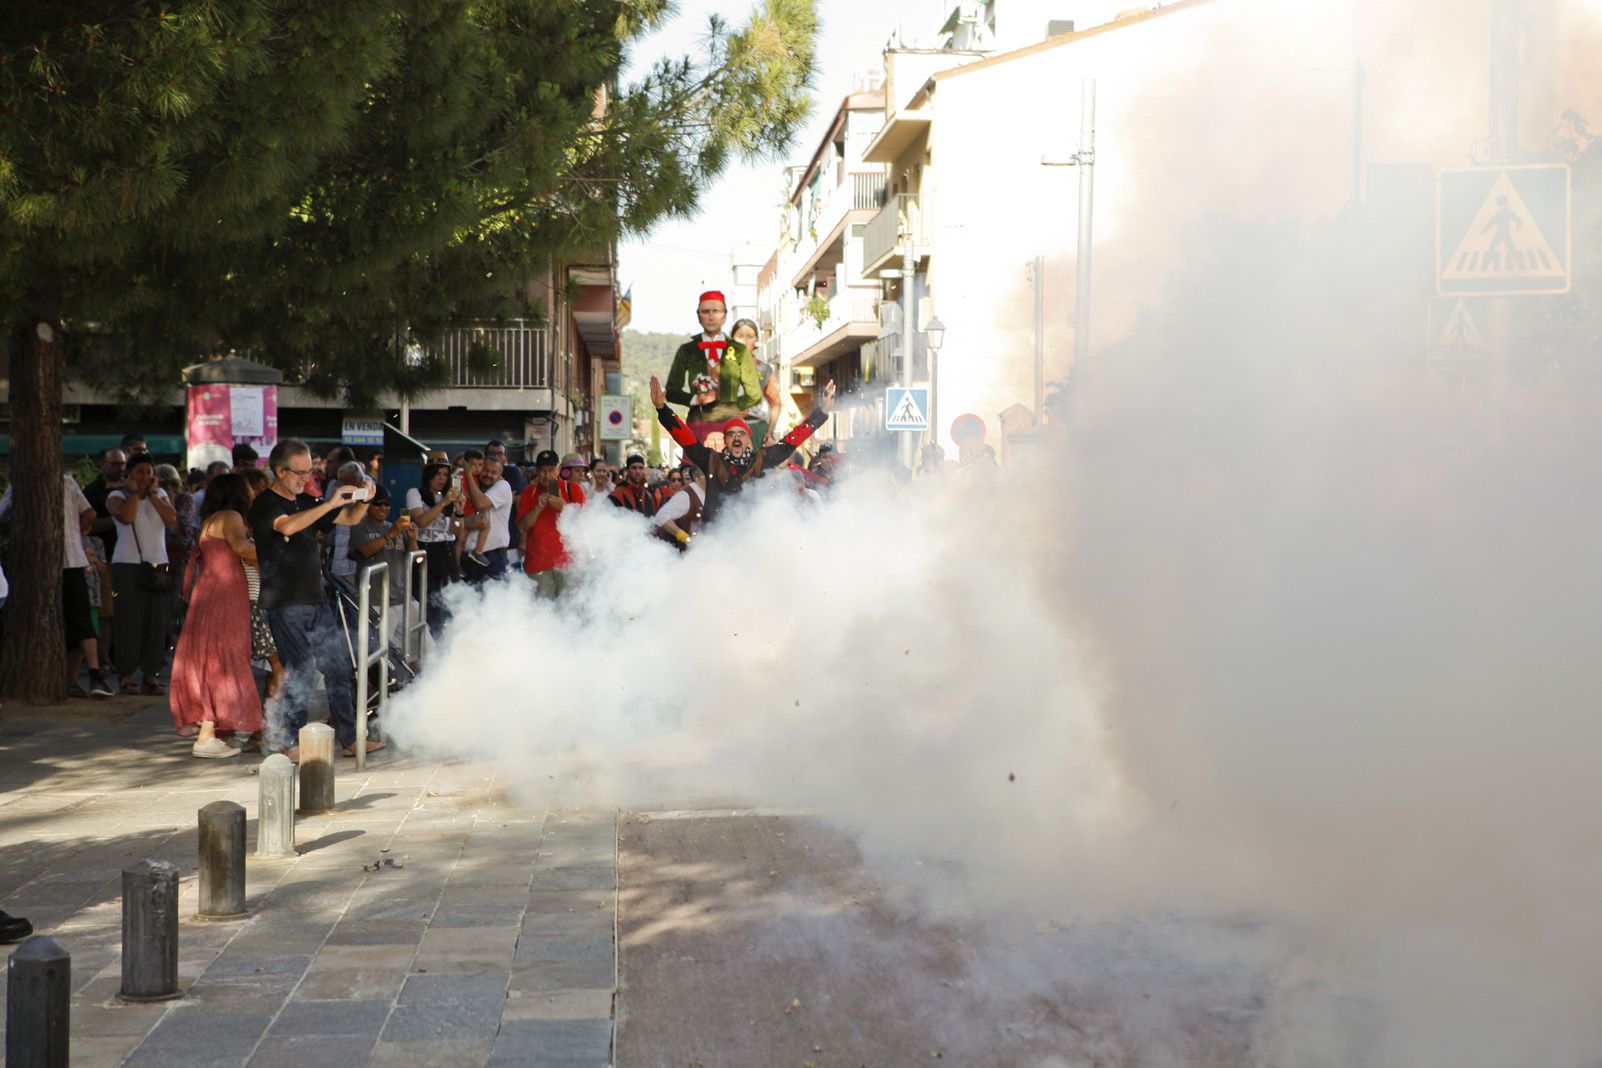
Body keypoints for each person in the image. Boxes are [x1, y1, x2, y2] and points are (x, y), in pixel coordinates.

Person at [249, 438, 379, 761]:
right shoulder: (265, 504)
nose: (305, 479)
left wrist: (364, 498)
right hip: (285, 602)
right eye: (299, 472)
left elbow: (348, 520)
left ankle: (350, 738)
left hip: (316, 599)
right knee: (302, 669)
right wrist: (329, 502)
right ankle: (290, 740)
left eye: (309, 471)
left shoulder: (306, 499)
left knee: (337, 667)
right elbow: (288, 527)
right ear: (279, 471)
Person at [650, 374, 837, 525]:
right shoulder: (711, 460)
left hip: (750, 545)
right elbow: (686, 438)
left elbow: (791, 441)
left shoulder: (761, 459)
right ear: (726, 440)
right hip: (715, 544)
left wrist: (822, 413)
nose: (737, 437)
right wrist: (662, 409)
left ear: (748, 439)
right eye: (732, 434)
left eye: (741, 434)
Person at [170, 473, 264, 758]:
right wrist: (276, 553)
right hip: (226, 597)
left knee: (209, 658)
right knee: (226, 659)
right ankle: (207, 733)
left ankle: (212, 730)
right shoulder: (231, 516)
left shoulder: (210, 521)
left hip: (208, 594)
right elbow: (241, 548)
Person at [0, 474, 114, 698]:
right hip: (73, 557)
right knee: (81, 620)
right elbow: (89, 513)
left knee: (49, 620)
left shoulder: (21, 482)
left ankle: (69, 677)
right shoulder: (68, 481)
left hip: (39, 563)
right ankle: (93, 674)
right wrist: (75, 534)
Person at [107, 454, 178, 695]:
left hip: (159, 563)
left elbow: (171, 519)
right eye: (139, 472)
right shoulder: (118, 496)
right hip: (128, 564)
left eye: (148, 472)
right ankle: (126, 673)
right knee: (129, 621)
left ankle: (151, 673)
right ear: (129, 473)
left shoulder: (161, 496)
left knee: (157, 622)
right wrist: (135, 494)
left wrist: (155, 495)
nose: (144, 477)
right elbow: (126, 518)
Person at [663, 290, 763, 443]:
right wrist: (695, 399)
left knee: (730, 465)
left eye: (716, 311)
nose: (711, 317)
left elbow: (755, 393)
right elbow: (671, 391)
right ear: (698, 316)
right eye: (705, 312)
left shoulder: (739, 350)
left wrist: (732, 406)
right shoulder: (687, 350)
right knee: (696, 466)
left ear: (724, 315)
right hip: (697, 423)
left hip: (731, 426)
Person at [240, 467, 284, 701]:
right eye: (253, 488)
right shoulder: (244, 525)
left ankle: (266, 725)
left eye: (261, 487)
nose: (259, 492)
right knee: (277, 665)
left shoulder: (261, 518)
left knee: (275, 667)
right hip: (258, 599)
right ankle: (268, 725)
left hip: (267, 599)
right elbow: (255, 560)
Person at [516, 449, 584, 597]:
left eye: (551, 470)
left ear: (558, 469)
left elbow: (584, 524)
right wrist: (538, 509)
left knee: (570, 613)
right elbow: (522, 527)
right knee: (541, 614)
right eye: (542, 470)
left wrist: (564, 508)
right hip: (538, 565)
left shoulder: (573, 489)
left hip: (569, 565)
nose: (546, 475)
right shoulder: (530, 491)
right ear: (536, 471)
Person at [405, 461, 461, 632]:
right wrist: (443, 502)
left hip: (447, 550)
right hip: (425, 549)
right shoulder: (416, 493)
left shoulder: (450, 497)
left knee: (450, 602)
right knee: (425, 601)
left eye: (445, 475)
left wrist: (459, 511)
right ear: (429, 475)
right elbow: (421, 521)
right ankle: (425, 643)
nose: (442, 478)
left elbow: (456, 530)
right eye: (438, 474)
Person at [730, 317, 783, 445]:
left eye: (750, 336)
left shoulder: (764, 370)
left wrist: (769, 433)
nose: (745, 341)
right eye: (740, 336)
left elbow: (775, 403)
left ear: (756, 341)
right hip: (728, 429)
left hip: (757, 430)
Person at [460, 456, 514, 581]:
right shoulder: (473, 486)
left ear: (500, 474)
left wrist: (468, 475)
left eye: (494, 472)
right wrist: (467, 523)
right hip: (467, 558)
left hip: (493, 558)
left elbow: (481, 503)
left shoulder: (503, 486)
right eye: (485, 470)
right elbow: (455, 522)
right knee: (466, 600)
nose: (488, 475)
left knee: (494, 600)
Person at [83, 446, 127, 557]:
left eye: (123, 464)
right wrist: (117, 519)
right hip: (105, 550)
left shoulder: (129, 488)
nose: (120, 468)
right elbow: (89, 524)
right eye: (115, 464)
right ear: (102, 464)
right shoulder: (91, 491)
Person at [652, 464, 706, 549]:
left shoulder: (706, 494)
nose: (677, 482)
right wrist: (685, 537)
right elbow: (661, 517)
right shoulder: (685, 495)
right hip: (684, 553)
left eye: (679, 480)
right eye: (674, 480)